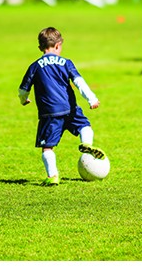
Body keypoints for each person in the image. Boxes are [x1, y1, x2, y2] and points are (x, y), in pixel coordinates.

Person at [18, 27, 105, 186]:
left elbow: (23, 89)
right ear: (58, 46)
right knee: (85, 126)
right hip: (70, 108)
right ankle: (87, 144)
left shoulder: (35, 66)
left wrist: (23, 100)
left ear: (40, 48)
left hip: (49, 113)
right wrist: (92, 99)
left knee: (48, 148)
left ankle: (53, 176)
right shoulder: (66, 62)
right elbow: (79, 82)